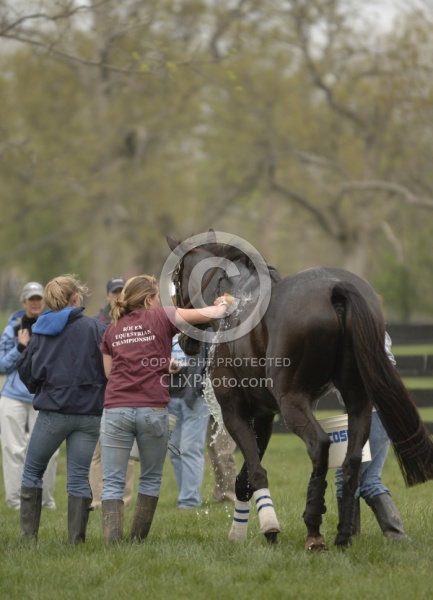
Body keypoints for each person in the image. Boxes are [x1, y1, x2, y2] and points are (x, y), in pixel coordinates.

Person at [99, 274, 230, 543]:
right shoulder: (162, 317)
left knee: (112, 481)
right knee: (150, 477)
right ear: (149, 299)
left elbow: (110, 374)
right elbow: (211, 314)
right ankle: (137, 540)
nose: (159, 301)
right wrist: (225, 302)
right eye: (157, 297)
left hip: (115, 410)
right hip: (153, 410)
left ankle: (111, 543)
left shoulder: (112, 328)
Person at [17, 275, 107, 543]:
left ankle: (28, 539)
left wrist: (38, 388)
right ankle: (76, 542)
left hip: (53, 413)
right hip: (90, 414)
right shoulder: (97, 328)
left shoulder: (41, 331)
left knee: (33, 471)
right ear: (75, 298)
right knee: (79, 477)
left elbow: (26, 370)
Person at [335, 332, 409, 541]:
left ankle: (348, 537)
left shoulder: (361, 332)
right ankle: (398, 538)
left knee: (345, 476)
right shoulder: (373, 328)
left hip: (372, 414)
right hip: (381, 413)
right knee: (370, 481)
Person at [0, 281, 58, 511]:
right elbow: (2, 365)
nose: (35, 303)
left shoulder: (51, 325)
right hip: (13, 397)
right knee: (13, 450)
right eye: (31, 299)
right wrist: (20, 347)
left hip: (42, 397)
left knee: (49, 453)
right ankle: (15, 502)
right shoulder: (12, 328)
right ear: (23, 301)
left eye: (38, 298)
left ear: (44, 302)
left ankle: (46, 501)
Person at [90, 275, 136, 509]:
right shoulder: (97, 322)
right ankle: (97, 500)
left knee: (126, 452)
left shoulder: (133, 321)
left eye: (122, 291)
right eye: (115, 291)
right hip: (100, 393)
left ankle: (125, 501)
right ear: (108, 295)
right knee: (98, 452)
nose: (118, 295)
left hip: (126, 393)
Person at [168, 335, 210, 509]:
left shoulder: (201, 329)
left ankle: (189, 502)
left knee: (190, 449)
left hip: (196, 395)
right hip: (170, 395)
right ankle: (186, 496)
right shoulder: (164, 326)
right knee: (174, 451)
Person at [206, 414, 237, 504]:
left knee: (224, 454)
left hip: (230, 410)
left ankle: (230, 494)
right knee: (214, 456)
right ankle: (219, 495)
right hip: (211, 412)